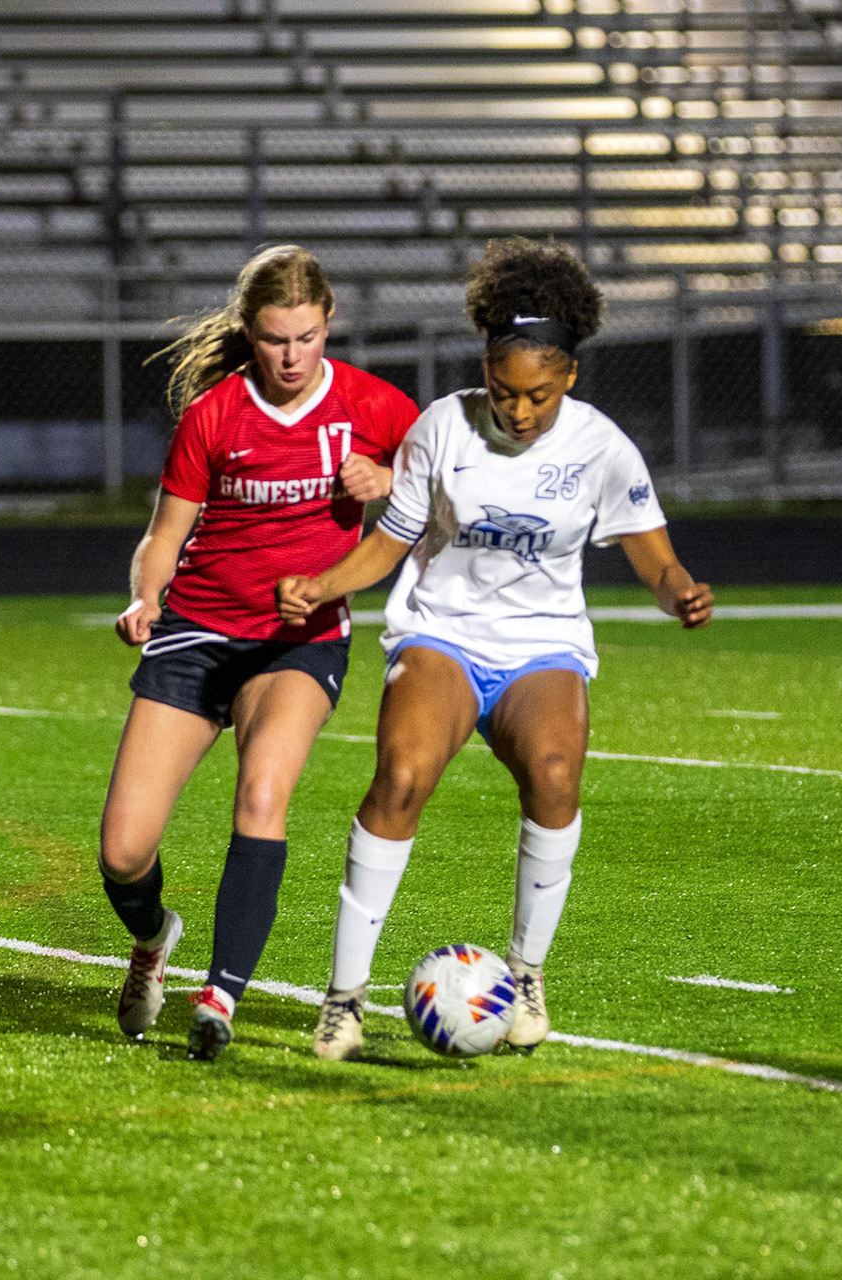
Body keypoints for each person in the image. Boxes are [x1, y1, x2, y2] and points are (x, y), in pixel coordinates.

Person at [273, 237, 712, 1063]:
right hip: (442, 632)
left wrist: (680, 591)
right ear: (485, 368)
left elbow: (654, 556)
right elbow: (392, 541)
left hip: (543, 644)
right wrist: (325, 585)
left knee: (555, 775)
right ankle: (343, 998)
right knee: (401, 779)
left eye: (538, 395)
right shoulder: (443, 428)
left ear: (569, 377)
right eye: (506, 392)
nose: (520, 411)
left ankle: (527, 973)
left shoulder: (601, 447)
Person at [100, 244, 419, 1061]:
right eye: (275, 339)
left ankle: (220, 998)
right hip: (199, 631)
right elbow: (164, 536)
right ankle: (154, 938)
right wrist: (145, 597)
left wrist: (388, 480)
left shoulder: (377, 406)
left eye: (307, 337)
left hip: (299, 641)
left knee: (263, 793)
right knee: (124, 853)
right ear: (249, 330)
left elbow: (446, 486)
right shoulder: (215, 415)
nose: (291, 356)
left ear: (330, 321)